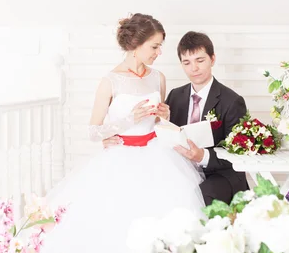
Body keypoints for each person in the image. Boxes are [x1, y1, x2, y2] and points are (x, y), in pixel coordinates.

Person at [23, 14, 205, 253]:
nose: (159, 53)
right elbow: (94, 131)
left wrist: (163, 113)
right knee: (113, 231)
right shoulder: (110, 80)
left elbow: (159, 122)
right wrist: (126, 121)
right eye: (154, 46)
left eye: (160, 47)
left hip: (157, 158)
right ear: (135, 45)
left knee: (166, 228)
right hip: (120, 161)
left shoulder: (158, 77)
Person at [104, 31, 249, 205]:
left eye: (200, 60)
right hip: (181, 170)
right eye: (186, 62)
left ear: (213, 59)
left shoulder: (232, 101)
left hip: (220, 175)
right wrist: (114, 137)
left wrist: (202, 156)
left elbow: (239, 155)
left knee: (194, 197)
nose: (194, 68)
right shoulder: (176, 95)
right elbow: (158, 132)